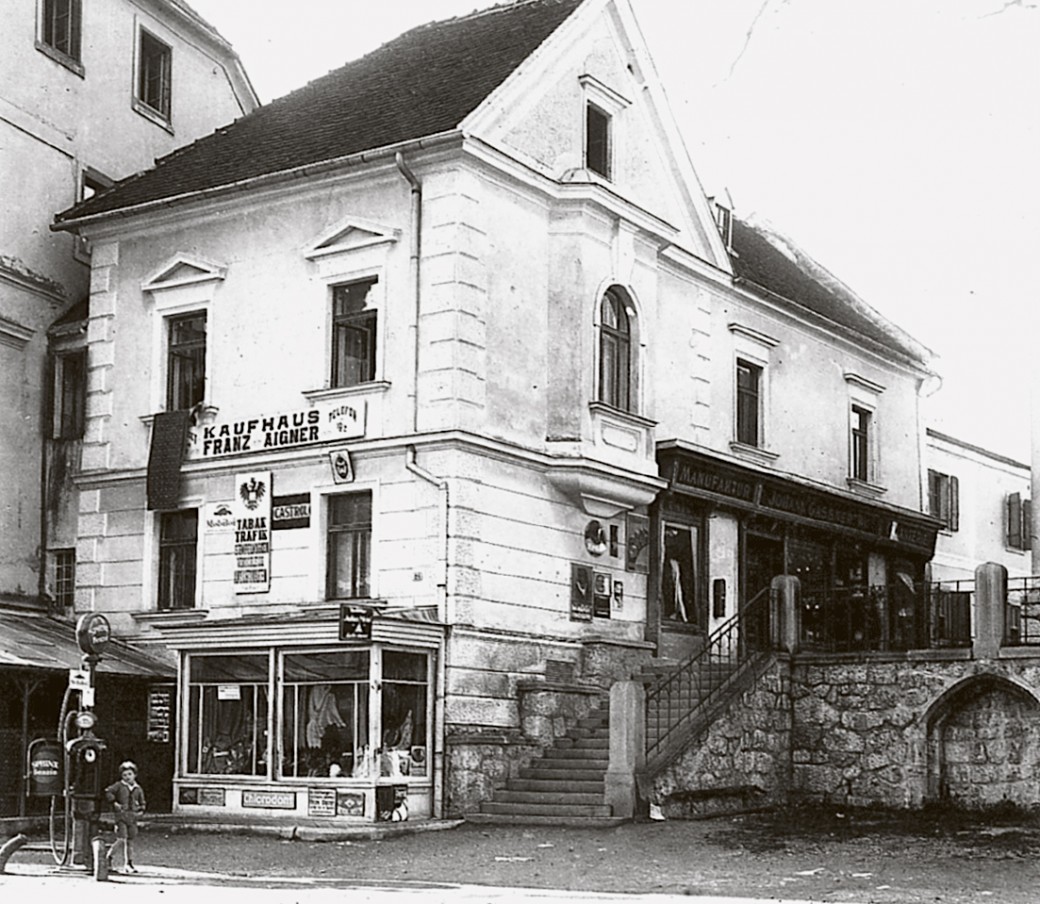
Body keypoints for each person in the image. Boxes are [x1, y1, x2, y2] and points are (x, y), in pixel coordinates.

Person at [105, 760, 146, 873]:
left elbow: (142, 802)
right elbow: (108, 791)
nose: (127, 777)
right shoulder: (119, 786)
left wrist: (141, 811)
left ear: (135, 775)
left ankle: (129, 863)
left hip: (132, 818)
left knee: (130, 841)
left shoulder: (138, 789)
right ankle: (108, 857)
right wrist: (114, 803)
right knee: (121, 838)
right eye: (124, 775)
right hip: (121, 817)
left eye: (129, 774)